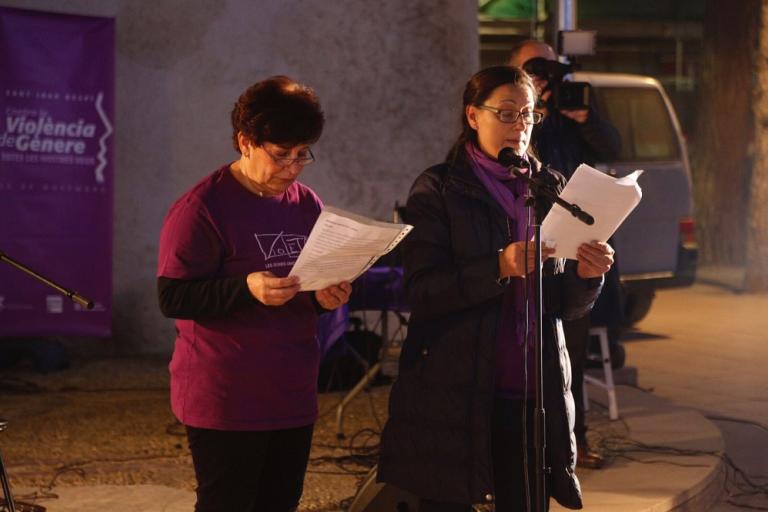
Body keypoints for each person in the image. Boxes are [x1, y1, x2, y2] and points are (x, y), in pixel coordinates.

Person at [378, 66, 614, 511]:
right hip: (456, 391)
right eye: (506, 113)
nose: (519, 126)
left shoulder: (550, 187)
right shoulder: (439, 188)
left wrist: (587, 275)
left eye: (528, 115)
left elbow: (562, 305)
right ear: (472, 115)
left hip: (533, 389)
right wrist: (499, 266)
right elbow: (421, 291)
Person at [157, 76, 352, 512]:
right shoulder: (202, 208)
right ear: (246, 142)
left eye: (302, 154)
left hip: (292, 389)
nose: (292, 168)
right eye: (281, 155)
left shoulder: (307, 204)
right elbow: (173, 297)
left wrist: (323, 299)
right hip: (227, 394)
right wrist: (245, 288)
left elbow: (307, 287)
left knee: (281, 502)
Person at [510, 39, 623, 469]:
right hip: (523, 245)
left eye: (548, 69)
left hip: (572, 249)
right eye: (533, 69)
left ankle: (573, 442)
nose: (543, 77)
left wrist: (585, 119)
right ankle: (519, 444)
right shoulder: (515, 116)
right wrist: (532, 108)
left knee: (568, 355)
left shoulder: (572, 109)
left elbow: (612, 146)